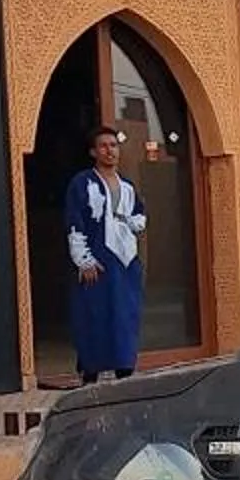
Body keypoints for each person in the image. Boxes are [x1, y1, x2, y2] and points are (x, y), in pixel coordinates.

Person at [66, 124, 147, 384]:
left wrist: (134, 222)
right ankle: (90, 374)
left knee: (125, 315)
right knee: (95, 315)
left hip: (125, 263)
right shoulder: (82, 183)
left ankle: (125, 371)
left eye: (113, 145)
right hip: (98, 262)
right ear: (93, 151)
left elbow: (140, 214)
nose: (109, 151)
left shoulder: (128, 186)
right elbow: (74, 220)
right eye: (103, 146)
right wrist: (84, 259)